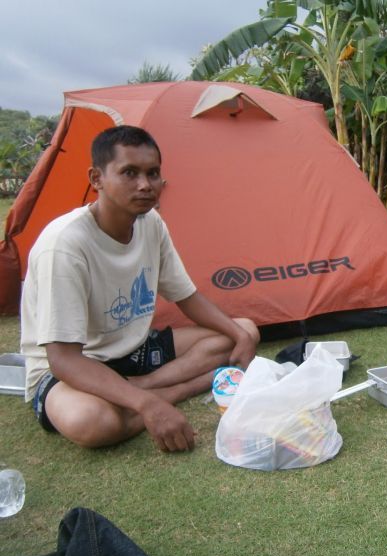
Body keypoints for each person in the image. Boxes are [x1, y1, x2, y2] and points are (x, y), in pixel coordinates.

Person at [21, 125, 260, 452]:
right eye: (129, 173)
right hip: (73, 368)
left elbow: (186, 297)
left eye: (153, 173)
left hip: (133, 352)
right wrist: (149, 405)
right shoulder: (64, 245)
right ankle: (171, 391)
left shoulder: (151, 223)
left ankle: (145, 387)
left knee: (243, 328)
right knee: (91, 422)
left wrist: (243, 336)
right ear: (96, 179)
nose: (145, 185)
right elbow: (64, 360)